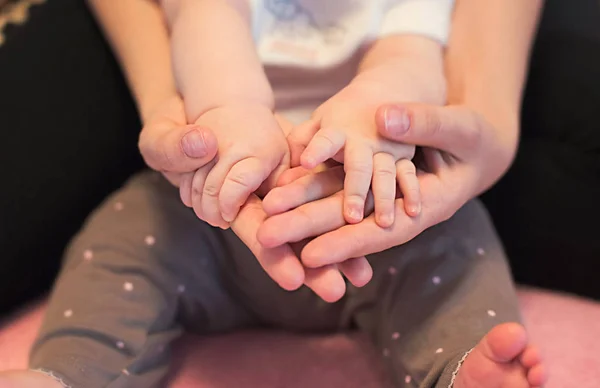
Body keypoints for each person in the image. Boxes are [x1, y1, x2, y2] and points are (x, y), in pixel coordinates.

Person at [0, 1, 547, 388]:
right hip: (214, 206)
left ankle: (461, 369)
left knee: (455, 235)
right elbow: (206, 23)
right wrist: (230, 108)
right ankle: (69, 373)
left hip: (369, 212)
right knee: (123, 237)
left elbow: (412, 58)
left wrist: (372, 117)